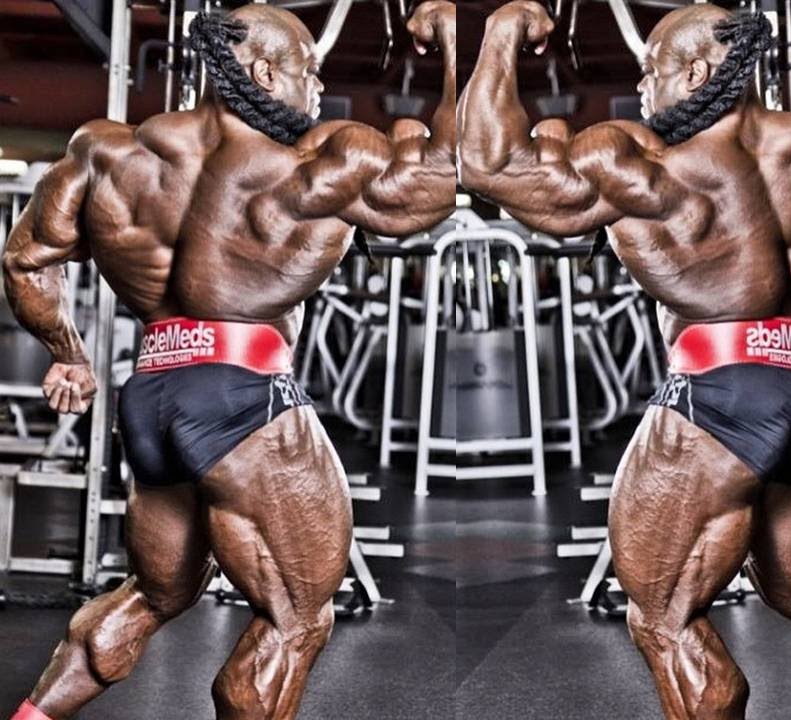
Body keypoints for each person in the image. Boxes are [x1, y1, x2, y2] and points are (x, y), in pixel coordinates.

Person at [458, 3, 791, 719]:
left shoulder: (642, 163)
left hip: (716, 396)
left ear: (694, 72)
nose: (644, 90)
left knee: (665, 619)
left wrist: (504, 26)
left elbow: (488, 163)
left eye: (651, 72)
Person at [2, 2, 454, 718]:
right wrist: (453, 48)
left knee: (153, 595)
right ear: (266, 72)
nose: (316, 89)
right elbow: (444, 179)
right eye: (308, 72)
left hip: (151, 397)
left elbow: (25, 260)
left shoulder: (106, 152)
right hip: (245, 396)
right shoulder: (317, 161)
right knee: (296, 619)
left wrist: (71, 356)